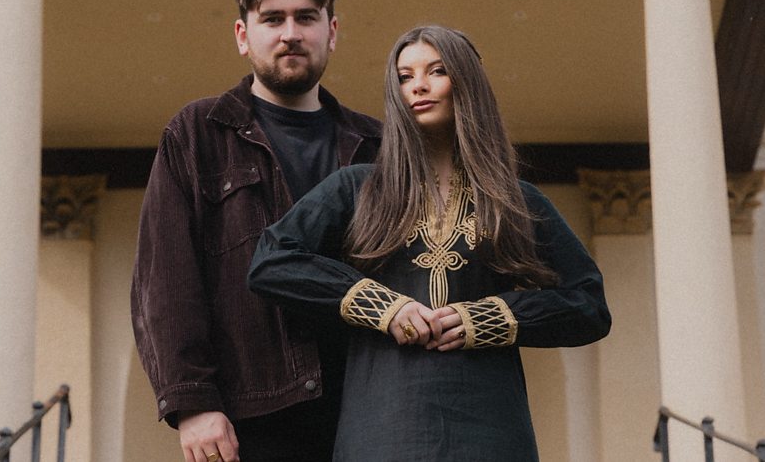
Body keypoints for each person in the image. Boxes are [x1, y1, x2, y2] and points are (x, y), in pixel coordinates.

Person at [249, 25, 611, 461]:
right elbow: (271, 261)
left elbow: (588, 304)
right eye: (405, 77)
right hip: (383, 425)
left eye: (436, 71)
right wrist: (383, 306)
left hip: (490, 429)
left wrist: (490, 317)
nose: (418, 85)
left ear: (467, 83)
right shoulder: (357, 188)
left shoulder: (515, 200)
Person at [131, 0, 381, 462]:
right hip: (253, 419)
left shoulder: (380, 146)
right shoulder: (196, 135)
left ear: (331, 31)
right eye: (273, 19)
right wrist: (193, 404)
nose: (291, 33)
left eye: (306, 17)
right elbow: (165, 279)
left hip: (371, 408)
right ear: (243, 35)